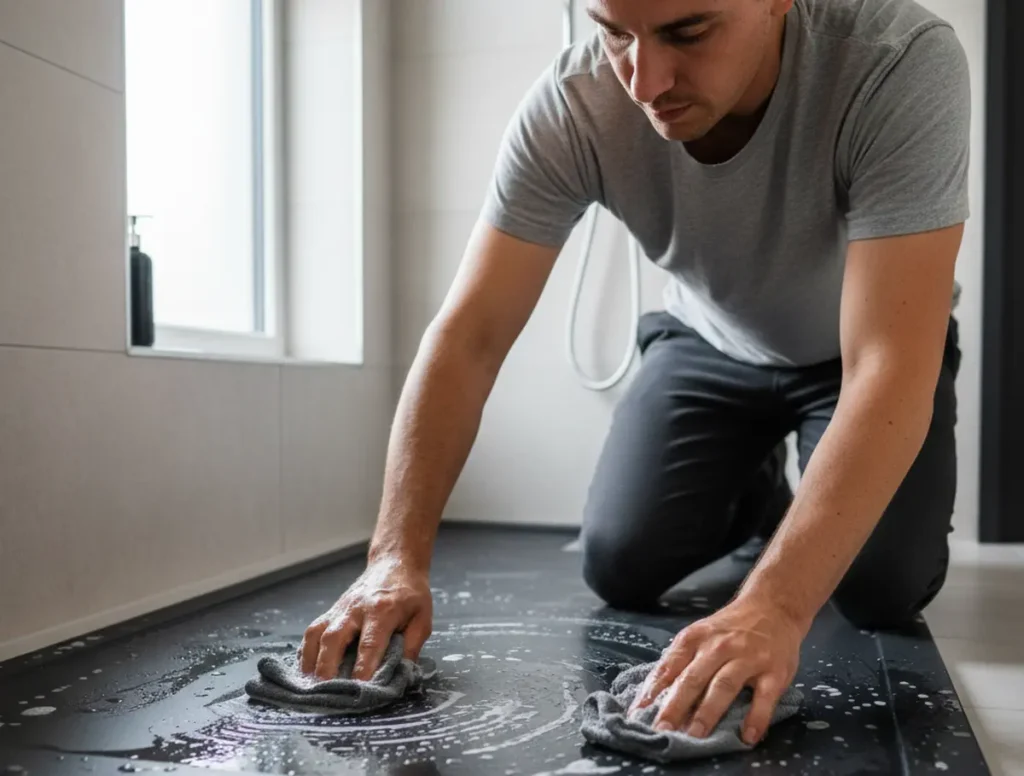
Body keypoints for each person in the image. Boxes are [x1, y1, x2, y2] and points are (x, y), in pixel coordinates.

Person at [300, 0, 970, 750]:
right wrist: (394, 556)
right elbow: (468, 335)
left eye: (688, 31)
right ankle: (760, 500)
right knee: (621, 561)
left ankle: (809, 517)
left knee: (883, 589)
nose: (645, 82)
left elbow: (886, 361)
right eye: (615, 32)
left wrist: (775, 610)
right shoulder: (575, 106)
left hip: (860, 358)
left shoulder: (896, 61)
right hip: (710, 342)